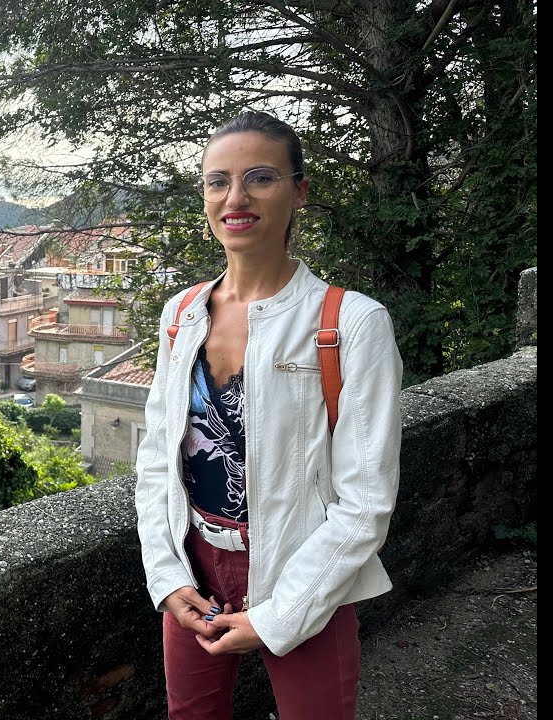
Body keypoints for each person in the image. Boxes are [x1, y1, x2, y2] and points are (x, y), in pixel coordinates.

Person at [133, 110, 403, 720]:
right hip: (195, 569)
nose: (235, 197)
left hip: (304, 573)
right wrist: (166, 577)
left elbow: (365, 502)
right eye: (216, 180)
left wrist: (277, 616)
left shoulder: (350, 324)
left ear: (299, 190)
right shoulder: (182, 315)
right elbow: (156, 458)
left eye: (260, 177)